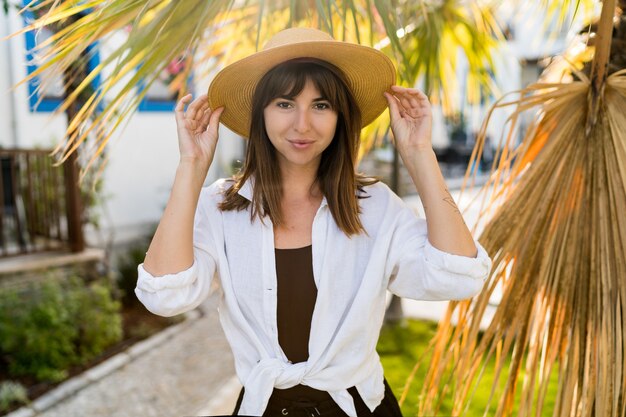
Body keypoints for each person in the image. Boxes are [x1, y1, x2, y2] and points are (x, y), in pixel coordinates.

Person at [135, 27, 491, 417]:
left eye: (321, 105)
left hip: (359, 406)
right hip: (263, 408)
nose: (303, 125)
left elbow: (458, 276)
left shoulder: (373, 207)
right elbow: (164, 296)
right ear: (261, 114)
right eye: (285, 104)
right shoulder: (221, 209)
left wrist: (419, 152)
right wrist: (191, 166)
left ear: (341, 117)